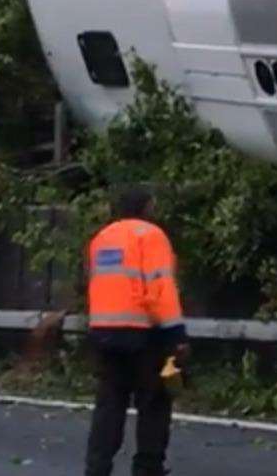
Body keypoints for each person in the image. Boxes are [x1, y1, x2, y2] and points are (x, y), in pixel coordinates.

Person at [84, 186, 187, 476]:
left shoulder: (102, 238)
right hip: (144, 334)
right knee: (154, 402)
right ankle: (148, 468)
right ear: (146, 207)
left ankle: (96, 468)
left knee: (109, 405)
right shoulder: (151, 236)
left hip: (104, 332)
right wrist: (175, 334)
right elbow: (159, 289)